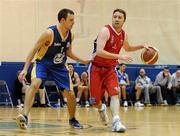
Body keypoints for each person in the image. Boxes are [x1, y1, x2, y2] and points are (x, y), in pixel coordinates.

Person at [16, 8, 89, 129]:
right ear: (62, 20)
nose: (74, 22)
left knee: (70, 94)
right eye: (71, 20)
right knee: (35, 84)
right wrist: (25, 69)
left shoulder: (71, 35)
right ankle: (25, 117)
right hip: (43, 64)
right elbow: (34, 49)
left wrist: (83, 61)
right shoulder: (49, 33)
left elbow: (69, 53)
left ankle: (72, 119)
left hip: (59, 66)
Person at [89, 9, 147, 132]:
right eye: (115, 16)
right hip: (96, 68)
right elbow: (99, 51)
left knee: (115, 94)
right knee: (94, 101)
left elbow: (128, 47)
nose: (116, 19)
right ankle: (101, 108)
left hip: (110, 69)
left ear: (124, 20)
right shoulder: (105, 31)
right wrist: (120, 57)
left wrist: (141, 46)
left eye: (119, 17)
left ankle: (116, 121)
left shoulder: (124, 34)